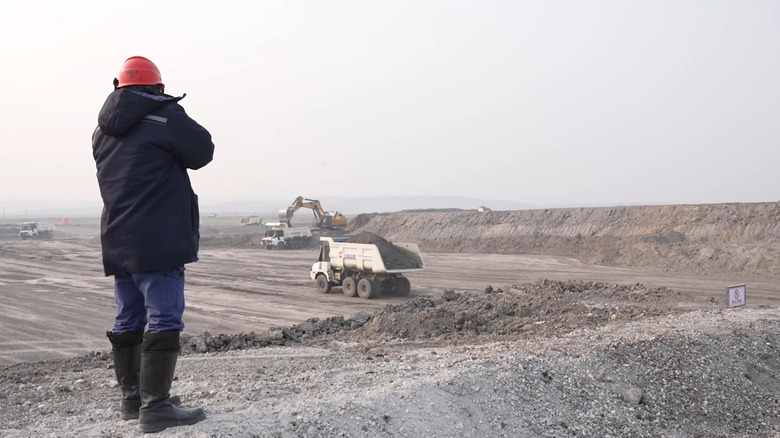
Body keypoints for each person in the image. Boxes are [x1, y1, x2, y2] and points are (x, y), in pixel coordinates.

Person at [92, 56, 214, 433]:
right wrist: (169, 112)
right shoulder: (164, 115)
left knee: (128, 317)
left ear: (118, 86)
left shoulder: (101, 131)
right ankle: (156, 408)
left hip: (118, 237)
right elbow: (203, 151)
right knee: (164, 317)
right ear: (157, 87)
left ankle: (133, 400)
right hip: (158, 238)